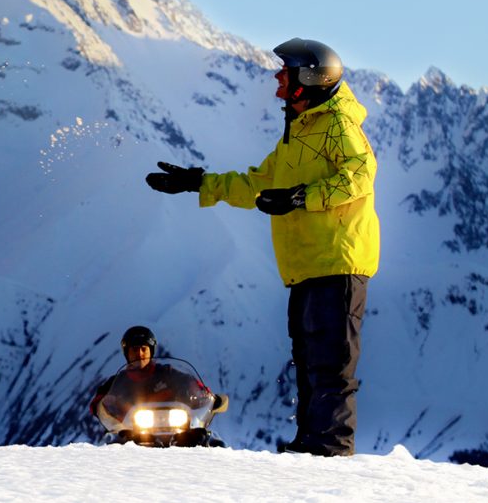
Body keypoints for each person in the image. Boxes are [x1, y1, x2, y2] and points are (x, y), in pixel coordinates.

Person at [144, 37, 379, 457]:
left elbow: (360, 175)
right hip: (305, 266)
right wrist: (199, 182)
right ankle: (311, 445)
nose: (276, 78)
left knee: (331, 365)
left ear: (308, 79)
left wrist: (299, 197)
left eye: (285, 72)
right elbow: (257, 183)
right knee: (308, 364)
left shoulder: (338, 124)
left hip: (336, 262)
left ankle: (330, 448)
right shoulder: (299, 131)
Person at [89, 325, 213, 436]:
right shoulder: (116, 382)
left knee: (211, 441)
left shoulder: (168, 373)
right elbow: (96, 403)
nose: (140, 353)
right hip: (131, 436)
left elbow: (192, 384)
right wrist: (105, 405)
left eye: (144, 349)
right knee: (108, 446)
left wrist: (205, 395)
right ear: (127, 353)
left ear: (151, 351)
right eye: (134, 349)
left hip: (175, 430)